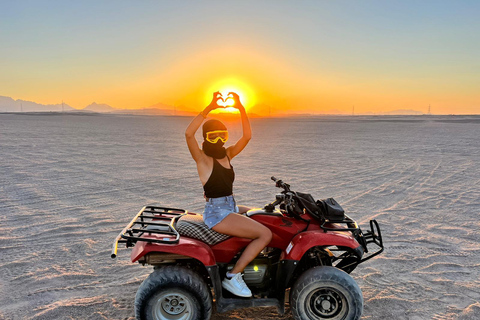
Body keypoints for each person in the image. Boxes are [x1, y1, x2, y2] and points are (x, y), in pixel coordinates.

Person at [185, 92, 272, 297]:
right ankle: (233, 276)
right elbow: (189, 135)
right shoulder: (203, 159)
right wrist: (210, 107)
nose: (218, 140)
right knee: (264, 234)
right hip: (217, 213)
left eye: (222, 135)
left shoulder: (227, 154)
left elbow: (247, 137)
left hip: (230, 207)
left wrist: (240, 108)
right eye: (212, 135)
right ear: (205, 137)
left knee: (265, 216)